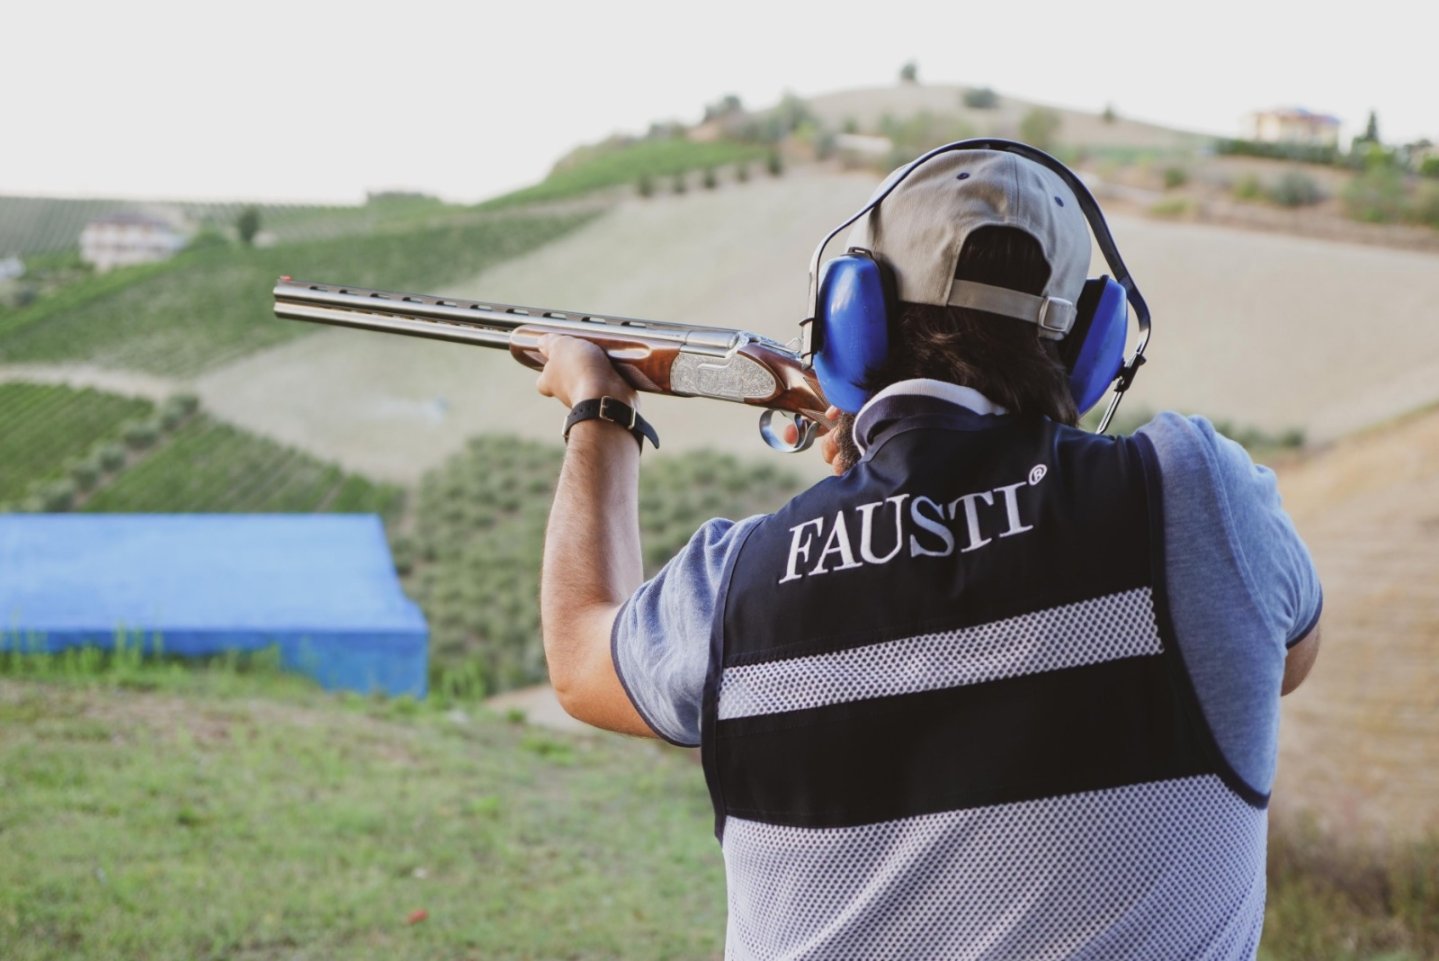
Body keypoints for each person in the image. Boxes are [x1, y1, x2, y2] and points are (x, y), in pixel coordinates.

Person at [532, 144, 1322, 960]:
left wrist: (599, 410)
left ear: (851, 318)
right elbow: (1284, 656)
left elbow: (580, 657)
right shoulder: (1201, 498)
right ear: (1093, 342)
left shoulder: (735, 581)